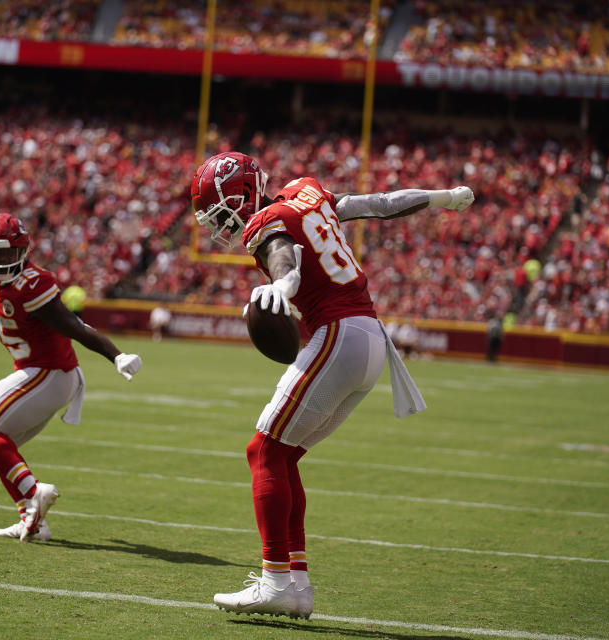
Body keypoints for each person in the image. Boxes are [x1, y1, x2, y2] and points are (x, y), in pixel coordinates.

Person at [190, 152, 474, 619]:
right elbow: (380, 204)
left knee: (263, 452)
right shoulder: (307, 191)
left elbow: (282, 254)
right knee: (284, 454)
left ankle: (276, 581)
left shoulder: (264, 221)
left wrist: (282, 285)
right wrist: (442, 197)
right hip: (371, 338)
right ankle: (295, 584)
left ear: (241, 194)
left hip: (339, 332)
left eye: (221, 212)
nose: (221, 224)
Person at [0, 213, 143, 543]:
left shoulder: (33, 284)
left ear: (23, 251)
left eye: (8, 254)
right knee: (1, 445)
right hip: (38, 373)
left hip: (50, 372)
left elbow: (75, 328)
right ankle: (33, 521)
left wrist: (115, 355)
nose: (1, 262)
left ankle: (34, 492)